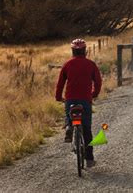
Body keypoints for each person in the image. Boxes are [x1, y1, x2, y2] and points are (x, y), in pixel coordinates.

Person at [55, 38, 102, 168]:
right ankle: (89, 159)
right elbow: (98, 82)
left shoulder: (67, 65)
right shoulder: (91, 65)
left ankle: (69, 126)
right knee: (86, 129)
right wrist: (94, 94)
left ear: (73, 51)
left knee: (68, 115)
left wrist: (58, 97)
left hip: (70, 98)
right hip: (85, 100)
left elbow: (60, 84)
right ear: (84, 51)